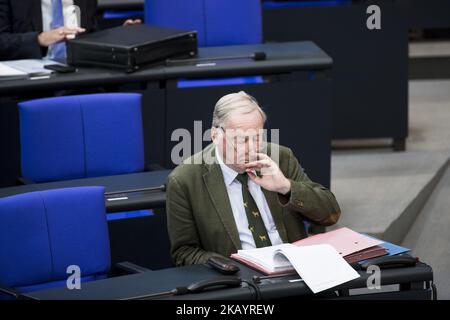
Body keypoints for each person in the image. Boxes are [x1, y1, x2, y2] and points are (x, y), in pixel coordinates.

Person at [166, 91, 341, 266]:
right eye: (241, 140)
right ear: (215, 135)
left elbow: (330, 215)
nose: (251, 148)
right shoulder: (184, 180)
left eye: (257, 138)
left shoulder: (281, 158)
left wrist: (286, 187)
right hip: (239, 281)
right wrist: (228, 268)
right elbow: (184, 253)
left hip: (294, 271)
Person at [0, 0, 141, 61]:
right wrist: (39, 39)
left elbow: (90, 34)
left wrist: (119, 36)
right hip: (29, 85)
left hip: (77, 77)